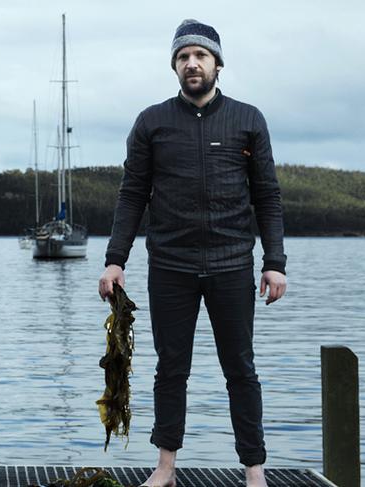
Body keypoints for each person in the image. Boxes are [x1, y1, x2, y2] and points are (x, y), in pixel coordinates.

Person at [98, 19, 287, 487]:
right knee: (170, 370)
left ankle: (255, 470)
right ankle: (165, 468)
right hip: (170, 266)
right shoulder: (152, 122)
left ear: (217, 63)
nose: (192, 63)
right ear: (175, 67)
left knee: (241, 368)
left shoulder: (248, 119)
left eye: (201, 55)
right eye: (183, 57)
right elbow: (132, 195)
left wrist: (275, 263)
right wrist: (115, 259)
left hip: (231, 265)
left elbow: (267, 195)